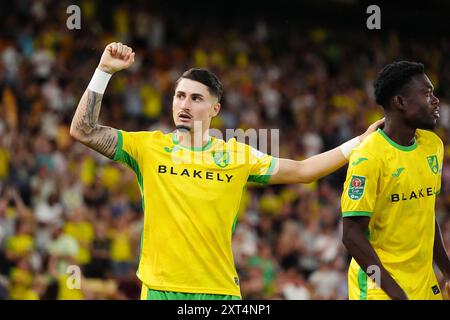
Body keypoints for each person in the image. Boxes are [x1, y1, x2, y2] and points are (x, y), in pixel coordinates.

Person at [70, 42, 382, 300]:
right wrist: (103, 72)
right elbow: (83, 131)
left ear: (215, 109)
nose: (185, 105)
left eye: (196, 98)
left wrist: (359, 141)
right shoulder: (146, 147)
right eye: (180, 96)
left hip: (219, 292)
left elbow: (302, 170)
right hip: (160, 290)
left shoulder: (236, 155)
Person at [341, 61, 450, 300]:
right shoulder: (369, 156)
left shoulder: (433, 146)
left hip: (424, 283)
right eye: (427, 93)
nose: (435, 100)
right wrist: (396, 294)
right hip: (380, 288)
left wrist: (447, 270)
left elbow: (425, 213)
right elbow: (351, 236)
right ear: (400, 102)